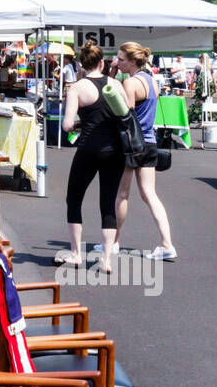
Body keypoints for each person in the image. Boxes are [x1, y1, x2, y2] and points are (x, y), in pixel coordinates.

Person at [58, 41, 125, 271]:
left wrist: (78, 123)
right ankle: (106, 259)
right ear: (102, 62)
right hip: (115, 150)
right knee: (107, 203)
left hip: (88, 148)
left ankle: (76, 253)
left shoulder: (76, 88)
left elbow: (67, 125)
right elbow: (125, 115)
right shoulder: (116, 84)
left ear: (81, 64)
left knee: (74, 198)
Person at [112, 42, 176, 261]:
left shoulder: (131, 83)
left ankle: (114, 243)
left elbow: (126, 116)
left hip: (132, 144)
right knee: (149, 194)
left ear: (131, 61)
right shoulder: (151, 80)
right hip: (149, 142)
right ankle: (167, 243)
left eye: (120, 59)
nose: (117, 62)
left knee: (122, 194)